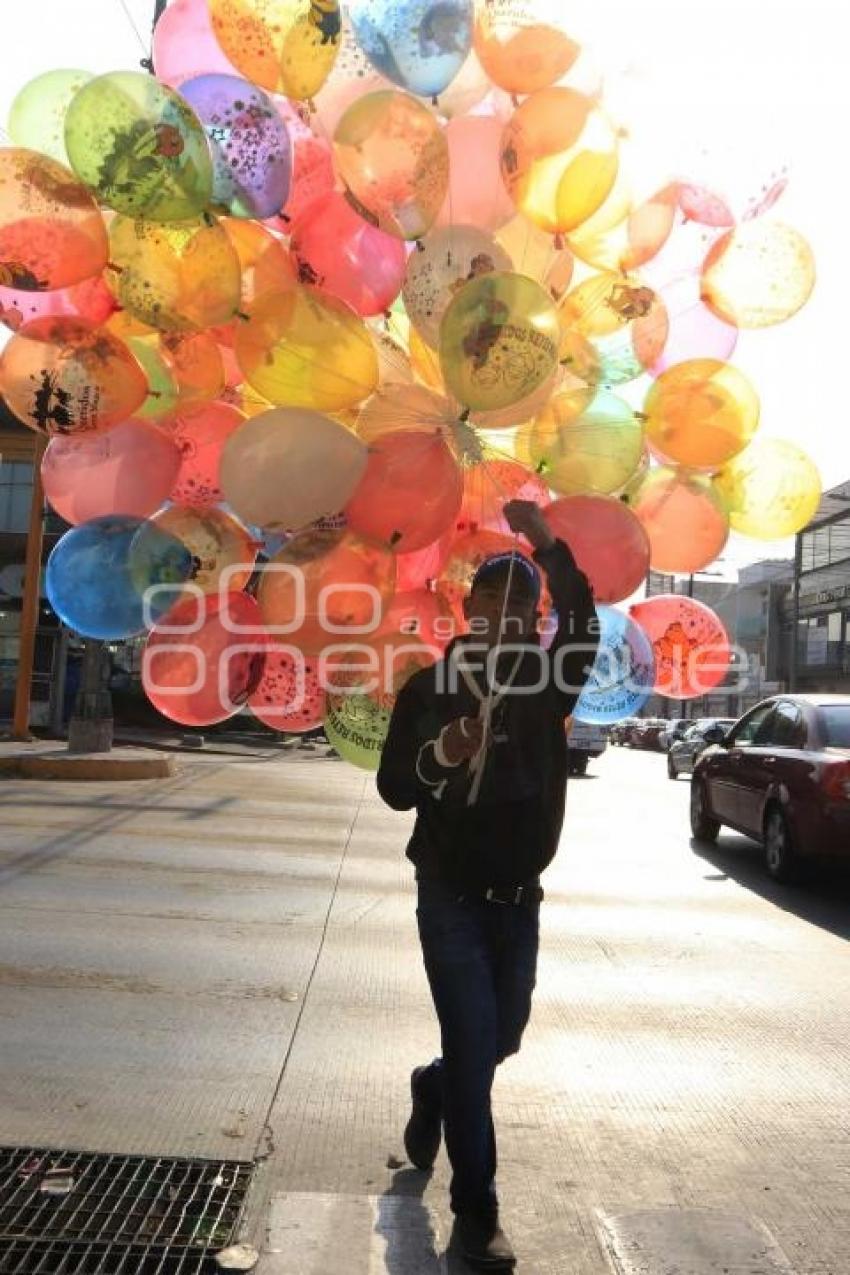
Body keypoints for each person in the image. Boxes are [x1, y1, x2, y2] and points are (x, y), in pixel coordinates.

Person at [376, 500, 599, 1270]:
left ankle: (433, 1087)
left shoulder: (547, 684)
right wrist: (442, 750)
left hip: (519, 902)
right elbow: (395, 788)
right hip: (449, 897)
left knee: (498, 1039)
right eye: (491, 600)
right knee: (476, 1044)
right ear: (466, 607)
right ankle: (478, 1211)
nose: (506, 614)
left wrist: (546, 543)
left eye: (522, 604)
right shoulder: (431, 686)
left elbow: (584, 623)